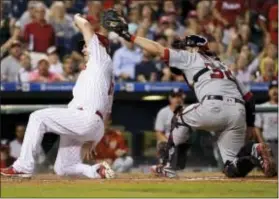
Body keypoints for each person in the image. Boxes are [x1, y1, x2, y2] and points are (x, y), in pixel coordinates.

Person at [105, 13, 276, 178]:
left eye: (185, 45)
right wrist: (251, 125)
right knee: (232, 167)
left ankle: (168, 167)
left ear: (195, 48)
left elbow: (157, 49)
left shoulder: (191, 57)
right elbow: (249, 98)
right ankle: (254, 152)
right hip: (238, 113)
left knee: (179, 117)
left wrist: (129, 36)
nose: (181, 48)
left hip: (215, 106)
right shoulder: (223, 66)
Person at [1, 14, 115, 179]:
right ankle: (95, 171)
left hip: (84, 117)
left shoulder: (100, 57)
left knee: (37, 117)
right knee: (63, 167)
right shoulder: (102, 74)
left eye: (86, 46)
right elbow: (107, 113)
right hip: (92, 124)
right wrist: (94, 137)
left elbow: (85, 26)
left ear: (99, 46)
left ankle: (23, 166)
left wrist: (76, 15)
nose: (83, 49)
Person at [154, 88, 191, 171]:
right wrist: (170, 144)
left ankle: (168, 166)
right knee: (162, 144)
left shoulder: (188, 111)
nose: (177, 99)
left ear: (183, 97)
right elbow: (158, 133)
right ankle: (162, 165)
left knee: (179, 168)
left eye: (179, 96)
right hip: (167, 142)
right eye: (174, 96)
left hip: (182, 143)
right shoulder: (163, 112)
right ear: (170, 98)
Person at [255, 81, 278, 166]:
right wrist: (262, 143)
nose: (275, 90)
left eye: (277, 88)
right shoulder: (262, 107)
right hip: (268, 145)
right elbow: (257, 127)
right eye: (272, 89)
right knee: (270, 171)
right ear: (268, 92)